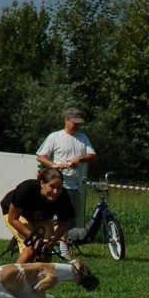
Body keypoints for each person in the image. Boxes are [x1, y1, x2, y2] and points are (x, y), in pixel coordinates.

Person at [37, 107, 96, 258]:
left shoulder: (82, 138)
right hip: (59, 186)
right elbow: (41, 156)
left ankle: (59, 245)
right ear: (66, 120)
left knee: (70, 219)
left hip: (76, 185)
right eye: (74, 122)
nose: (77, 126)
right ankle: (60, 248)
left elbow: (92, 155)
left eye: (79, 123)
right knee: (60, 218)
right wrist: (54, 166)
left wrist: (80, 159)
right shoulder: (55, 137)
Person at [1, 168, 75, 264]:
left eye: (59, 187)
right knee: (30, 249)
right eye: (52, 187)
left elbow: (63, 224)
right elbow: (13, 219)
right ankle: (14, 277)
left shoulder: (63, 196)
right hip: (17, 216)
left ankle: (37, 277)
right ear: (42, 183)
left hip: (42, 218)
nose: (56, 191)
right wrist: (33, 236)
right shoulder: (26, 188)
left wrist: (53, 240)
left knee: (45, 250)